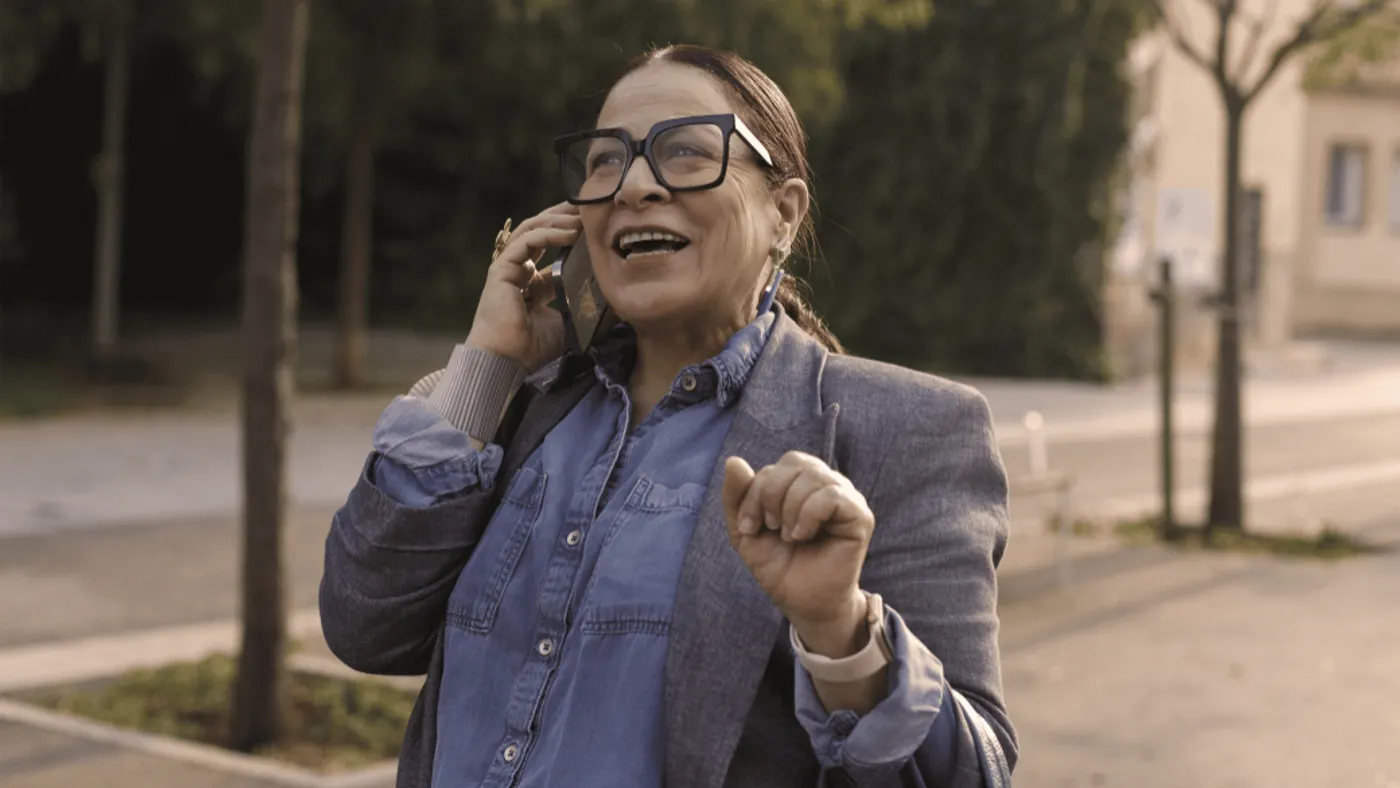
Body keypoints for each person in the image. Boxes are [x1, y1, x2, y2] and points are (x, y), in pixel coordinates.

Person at [320, 44, 1016, 788]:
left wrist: (842, 631)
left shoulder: (907, 430)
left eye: (685, 152)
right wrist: (489, 364)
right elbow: (366, 625)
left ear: (783, 213)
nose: (635, 185)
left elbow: (970, 778)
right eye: (605, 161)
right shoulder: (520, 413)